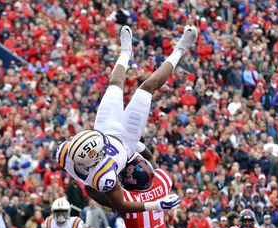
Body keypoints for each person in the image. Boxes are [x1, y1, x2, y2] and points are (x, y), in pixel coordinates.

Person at [57, 25, 197, 214]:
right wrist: (156, 199)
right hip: (127, 140)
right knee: (147, 87)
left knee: (114, 84)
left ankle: (126, 52)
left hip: (103, 129)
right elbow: (120, 205)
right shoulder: (103, 177)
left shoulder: (64, 154)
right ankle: (180, 50)